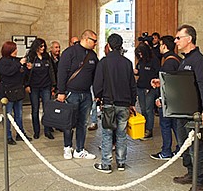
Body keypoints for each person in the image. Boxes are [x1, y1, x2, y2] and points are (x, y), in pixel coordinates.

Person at [172, 24, 203, 191]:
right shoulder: (185, 60)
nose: (176, 41)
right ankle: (191, 173)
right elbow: (183, 85)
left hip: (193, 114)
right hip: (182, 112)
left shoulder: (199, 61)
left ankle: (200, 182)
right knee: (184, 145)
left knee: (195, 146)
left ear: (189, 39)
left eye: (178, 38)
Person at [93, 34, 137, 173]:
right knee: (121, 134)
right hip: (124, 104)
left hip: (109, 103)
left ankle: (106, 164)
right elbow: (132, 85)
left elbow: (98, 84)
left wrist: (98, 96)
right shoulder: (127, 63)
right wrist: (132, 102)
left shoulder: (104, 62)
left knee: (107, 134)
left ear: (109, 45)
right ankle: (121, 163)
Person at [57, 29, 98, 160]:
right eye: (94, 41)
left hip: (86, 94)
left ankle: (79, 149)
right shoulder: (69, 52)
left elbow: (96, 75)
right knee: (69, 122)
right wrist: (61, 92)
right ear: (86, 39)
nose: (95, 44)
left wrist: (97, 93)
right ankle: (67, 147)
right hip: (71, 93)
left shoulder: (93, 55)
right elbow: (62, 72)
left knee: (82, 123)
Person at [150, 35, 181, 160]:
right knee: (175, 125)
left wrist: (161, 99)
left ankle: (166, 151)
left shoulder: (169, 62)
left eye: (161, 44)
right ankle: (181, 149)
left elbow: (168, 83)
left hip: (168, 101)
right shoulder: (177, 59)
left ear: (164, 46)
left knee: (166, 125)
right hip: (176, 100)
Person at [0, 41, 32, 145]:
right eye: (14, 49)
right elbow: (8, 72)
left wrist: (27, 68)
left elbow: (22, 74)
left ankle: (20, 134)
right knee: (7, 115)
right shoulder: (2, 62)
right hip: (7, 91)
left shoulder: (17, 61)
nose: (16, 51)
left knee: (19, 114)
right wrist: (19, 64)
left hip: (18, 91)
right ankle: (8, 136)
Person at [26, 38, 56, 140]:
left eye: (44, 46)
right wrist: (27, 85)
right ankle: (36, 131)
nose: (43, 48)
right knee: (35, 109)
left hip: (46, 86)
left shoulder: (46, 57)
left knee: (47, 109)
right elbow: (26, 72)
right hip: (34, 86)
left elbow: (51, 71)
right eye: (41, 46)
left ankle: (47, 130)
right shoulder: (31, 57)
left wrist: (53, 84)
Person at [134, 42, 160, 140]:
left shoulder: (154, 61)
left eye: (141, 53)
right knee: (143, 109)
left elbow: (158, 73)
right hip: (140, 87)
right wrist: (135, 72)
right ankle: (144, 127)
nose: (140, 55)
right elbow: (138, 72)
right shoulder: (140, 61)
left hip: (150, 88)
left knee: (149, 109)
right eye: (138, 54)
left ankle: (149, 130)